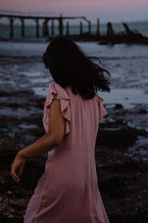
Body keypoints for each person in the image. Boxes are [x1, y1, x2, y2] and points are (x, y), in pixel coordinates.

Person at [11, 36, 111, 223]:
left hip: (61, 179)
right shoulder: (92, 98)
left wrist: (22, 154)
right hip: (87, 181)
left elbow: (55, 137)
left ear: (57, 66)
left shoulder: (58, 92)